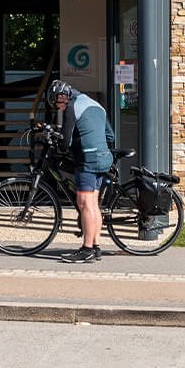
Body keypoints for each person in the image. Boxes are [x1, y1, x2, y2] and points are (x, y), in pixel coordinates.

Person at [49, 79, 116, 263]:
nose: (58, 108)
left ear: (63, 96)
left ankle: (86, 249)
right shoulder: (96, 105)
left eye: (57, 103)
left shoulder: (72, 107)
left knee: (85, 204)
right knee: (93, 204)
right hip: (103, 158)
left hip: (88, 160)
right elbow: (110, 135)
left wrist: (58, 140)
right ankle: (95, 246)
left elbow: (65, 141)